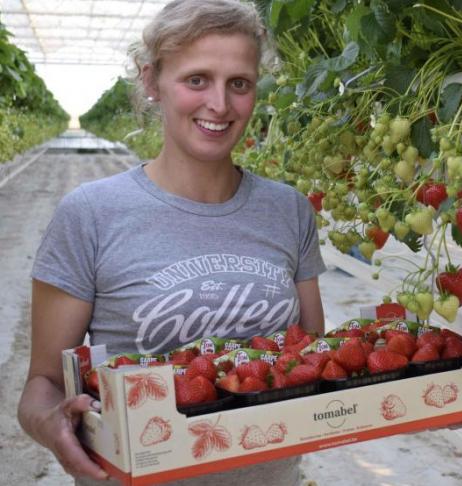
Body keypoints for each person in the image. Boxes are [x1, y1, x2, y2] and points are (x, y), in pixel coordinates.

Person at [17, 1, 325, 484]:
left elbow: (315, 362)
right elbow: (43, 385)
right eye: (196, 79)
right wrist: (51, 422)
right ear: (150, 81)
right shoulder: (91, 214)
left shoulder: (289, 211)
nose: (220, 105)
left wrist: (435, 393)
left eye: (239, 83)